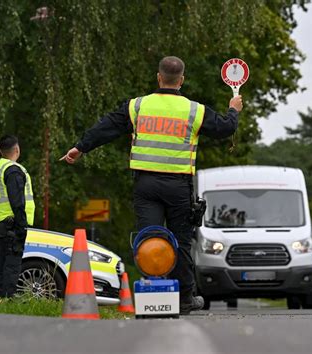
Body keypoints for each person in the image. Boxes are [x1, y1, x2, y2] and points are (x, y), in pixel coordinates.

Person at [61, 56, 243, 314]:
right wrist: (233, 108)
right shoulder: (194, 110)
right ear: (181, 80)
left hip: (146, 184)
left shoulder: (137, 106)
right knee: (180, 239)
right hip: (178, 185)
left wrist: (80, 147)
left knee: (149, 238)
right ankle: (184, 298)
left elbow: (107, 126)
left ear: (159, 77)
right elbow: (225, 128)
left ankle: (153, 290)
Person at [0, 135, 35, 298]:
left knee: (0, 266)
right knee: (11, 265)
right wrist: (22, 224)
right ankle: (7, 298)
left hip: (0, 223)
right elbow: (17, 201)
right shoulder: (14, 170)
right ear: (17, 149)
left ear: (1, 151)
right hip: (13, 225)